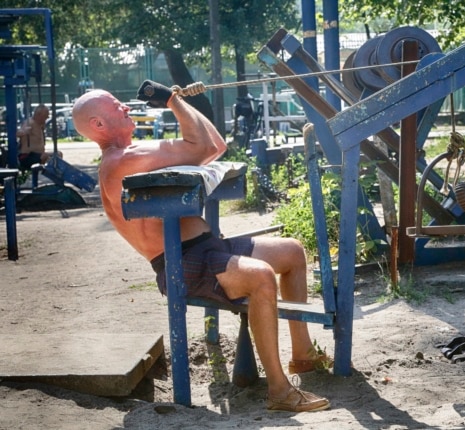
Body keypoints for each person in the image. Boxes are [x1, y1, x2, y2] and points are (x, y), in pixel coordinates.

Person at [71, 81, 330, 413]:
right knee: (261, 275)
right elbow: (200, 146)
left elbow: (214, 145)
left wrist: (176, 100)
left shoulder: (135, 153)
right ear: (98, 125)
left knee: (291, 251)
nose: (123, 105)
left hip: (205, 248)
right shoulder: (120, 161)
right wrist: (171, 101)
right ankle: (279, 390)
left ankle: (303, 356)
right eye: (114, 105)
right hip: (181, 264)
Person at [16, 104, 60, 171]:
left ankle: (57, 173)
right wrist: (24, 132)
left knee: (58, 154)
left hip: (38, 155)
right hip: (27, 156)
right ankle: (40, 173)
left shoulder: (40, 124)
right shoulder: (30, 123)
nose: (47, 117)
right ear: (39, 115)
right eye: (45, 116)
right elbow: (17, 133)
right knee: (45, 156)